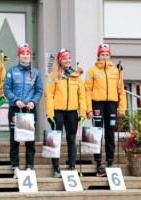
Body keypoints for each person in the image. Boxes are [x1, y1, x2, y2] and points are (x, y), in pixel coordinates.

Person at [84, 44, 127, 176]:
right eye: (102, 54)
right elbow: (87, 91)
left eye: (107, 54)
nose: (105, 56)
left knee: (109, 134)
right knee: (97, 134)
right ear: (98, 56)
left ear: (110, 56)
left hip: (112, 106)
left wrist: (122, 108)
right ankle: (98, 162)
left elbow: (122, 92)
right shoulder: (91, 71)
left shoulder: (116, 71)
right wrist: (88, 109)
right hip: (97, 105)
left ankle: (110, 161)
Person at [4, 43, 43, 178]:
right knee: (14, 138)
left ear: (30, 55)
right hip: (15, 108)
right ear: (19, 55)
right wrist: (15, 100)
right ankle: (15, 166)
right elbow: (7, 89)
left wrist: (33, 102)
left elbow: (39, 90)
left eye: (27, 53)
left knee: (29, 140)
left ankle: (29, 166)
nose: (25, 56)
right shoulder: (11, 71)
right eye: (23, 53)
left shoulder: (36, 72)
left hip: (29, 110)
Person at [45, 49, 86, 178]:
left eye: (69, 58)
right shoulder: (53, 76)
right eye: (65, 59)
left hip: (72, 112)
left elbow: (82, 96)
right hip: (57, 112)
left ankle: (72, 165)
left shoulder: (76, 76)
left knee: (71, 139)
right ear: (60, 61)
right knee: (55, 139)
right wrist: (49, 113)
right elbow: (49, 96)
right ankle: (56, 167)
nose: (68, 61)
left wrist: (82, 112)